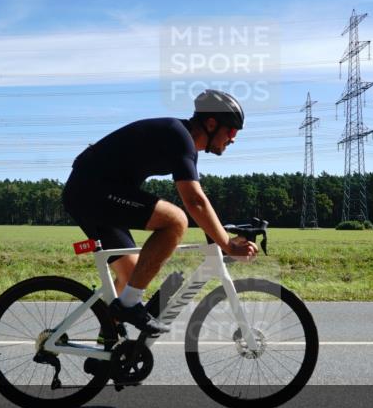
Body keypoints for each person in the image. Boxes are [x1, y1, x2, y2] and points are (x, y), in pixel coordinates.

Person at [62, 89, 258, 340]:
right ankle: (130, 306)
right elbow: (194, 201)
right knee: (175, 221)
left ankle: (109, 344)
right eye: (232, 131)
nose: (233, 139)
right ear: (211, 123)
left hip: (95, 192)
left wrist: (222, 234)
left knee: (132, 275)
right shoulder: (179, 137)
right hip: (91, 191)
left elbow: (197, 197)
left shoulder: (182, 142)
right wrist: (228, 244)